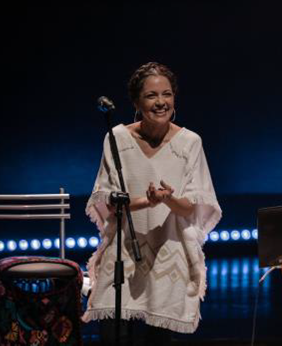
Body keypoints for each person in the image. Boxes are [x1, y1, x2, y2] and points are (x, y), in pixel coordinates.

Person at [83, 62, 222, 344]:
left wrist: (168, 198)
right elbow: (109, 203)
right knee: (113, 336)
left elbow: (191, 208)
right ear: (136, 101)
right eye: (151, 96)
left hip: (167, 256)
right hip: (123, 253)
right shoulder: (117, 139)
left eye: (167, 94)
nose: (161, 102)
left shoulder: (190, 143)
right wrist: (146, 202)